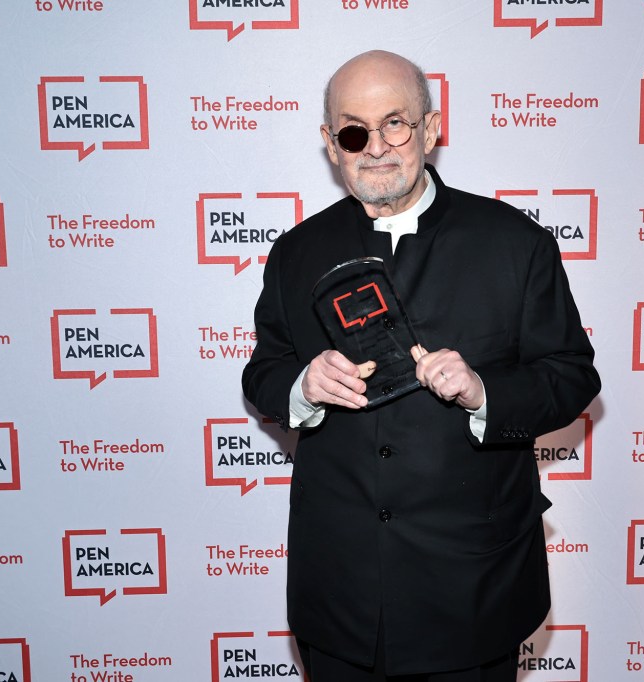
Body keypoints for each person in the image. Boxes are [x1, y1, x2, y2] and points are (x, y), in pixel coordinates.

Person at [241, 50, 600, 681]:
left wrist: (484, 392)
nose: (376, 146)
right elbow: (263, 371)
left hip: (473, 587)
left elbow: (572, 376)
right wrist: (302, 385)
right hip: (341, 592)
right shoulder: (296, 252)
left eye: (396, 123)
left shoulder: (515, 244)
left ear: (431, 130)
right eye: (354, 130)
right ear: (331, 145)